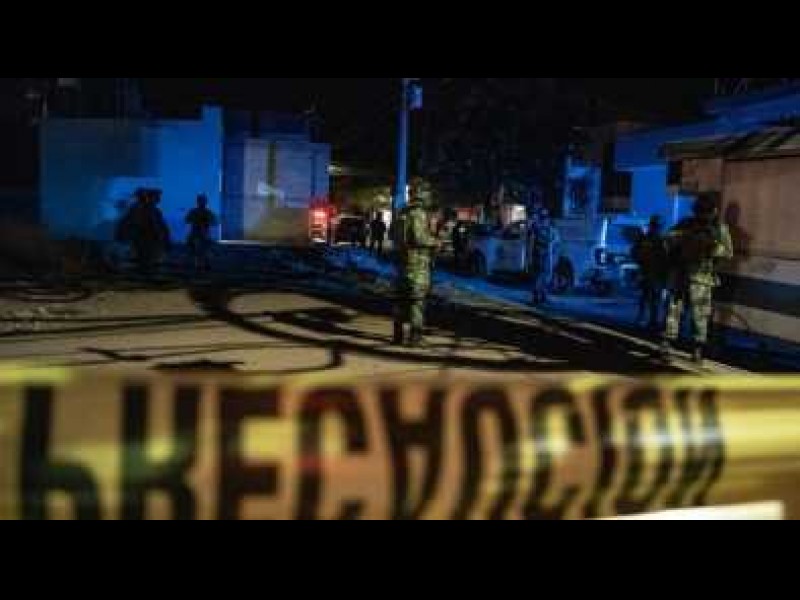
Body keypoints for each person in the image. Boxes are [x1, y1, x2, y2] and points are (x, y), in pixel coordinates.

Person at [662, 193, 734, 364]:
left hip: (701, 277)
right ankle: (669, 343)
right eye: (700, 211)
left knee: (698, 315)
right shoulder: (686, 224)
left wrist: (711, 247)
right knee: (675, 311)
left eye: (705, 211)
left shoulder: (719, 229)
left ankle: (697, 348)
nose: (702, 215)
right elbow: (667, 240)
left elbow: (728, 252)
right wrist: (683, 238)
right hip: (682, 275)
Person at [393, 180, 438, 347]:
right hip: (417, 264)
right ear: (421, 194)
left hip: (402, 263)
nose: (429, 196)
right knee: (417, 302)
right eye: (427, 192)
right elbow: (419, 238)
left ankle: (397, 336)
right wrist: (435, 241)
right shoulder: (418, 213)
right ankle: (415, 338)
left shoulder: (402, 212)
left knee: (401, 300)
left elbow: (393, 235)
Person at [120, 189, 171, 275]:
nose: (158, 199)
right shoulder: (142, 209)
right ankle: (144, 272)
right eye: (156, 197)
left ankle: (145, 271)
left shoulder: (152, 210)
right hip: (145, 238)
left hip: (148, 238)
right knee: (145, 257)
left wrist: (163, 236)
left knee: (147, 258)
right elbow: (148, 224)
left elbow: (159, 225)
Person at [632, 216, 668, 331]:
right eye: (656, 226)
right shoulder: (659, 240)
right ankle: (647, 319)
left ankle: (647, 319)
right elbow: (634, 252)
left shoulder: (651, 239)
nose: (656, 228)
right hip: (651, 273)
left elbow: (634, 252)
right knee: (650, 297)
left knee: (649, 297)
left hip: (651, 273)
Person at [530, 209, 557, 305]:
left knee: (544, 276)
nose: (546, 219)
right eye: (545, 217)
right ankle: (537, 296)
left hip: (544, 255)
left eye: (546, 217)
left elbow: (554, 239)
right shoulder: (539, 228)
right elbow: (547, 240)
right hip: (542, 255)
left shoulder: (543, 227)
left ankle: (542, 296)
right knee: (541, 276)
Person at [185, 194, 218, 272]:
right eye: (201, 201)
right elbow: (187, 220)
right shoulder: (200, 212)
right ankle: (201, 265)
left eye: (203, 201)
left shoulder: (204, 212)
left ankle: (202, 265)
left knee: (203, 250)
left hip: (202, 234)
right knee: (200, 250)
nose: (202, 203)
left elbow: (214, 222)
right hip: (198, 234)